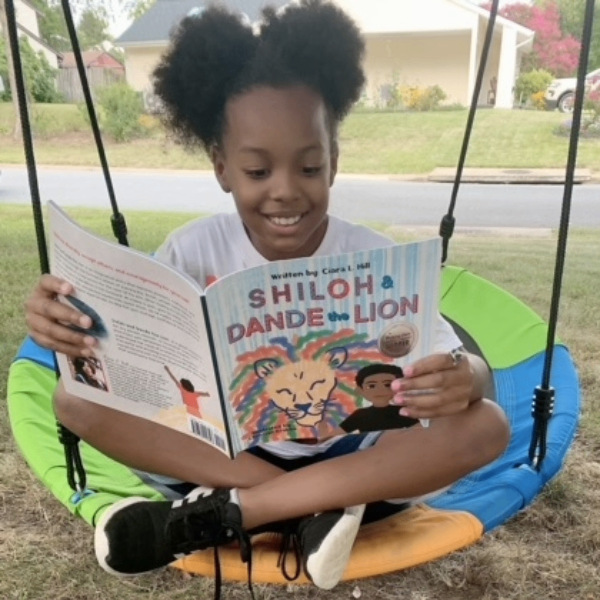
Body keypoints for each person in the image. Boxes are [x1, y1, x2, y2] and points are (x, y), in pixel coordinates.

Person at [23, 0, 510, 593]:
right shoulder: (191, 249)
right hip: (219, 454)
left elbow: (458, 368)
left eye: (308, 168)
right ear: (222, 166)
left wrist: (466, 377)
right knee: (73, 403)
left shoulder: (374, 257)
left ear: (333, 164)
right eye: (257, 172)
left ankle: (242, 511)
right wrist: (69, 326)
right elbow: (130, 366)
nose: (285, 192)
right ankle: (307, 510)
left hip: (355, 453)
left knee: (487, 425)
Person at [337, 364, 419, 433]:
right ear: (360, 390)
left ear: (399, 387)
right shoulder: (360, 415)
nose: (380, 390)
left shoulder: (403, 411)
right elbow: (335, 435)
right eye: (371, 386)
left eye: (387, 385)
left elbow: (420, 434)